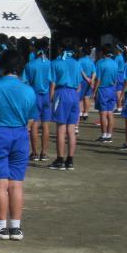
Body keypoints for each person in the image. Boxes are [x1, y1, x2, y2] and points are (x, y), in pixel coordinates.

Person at [0, 49, 36, 241]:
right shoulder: (28, 89)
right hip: (20, 135)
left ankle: (0, 226)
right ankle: (15, 227)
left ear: (1, 65)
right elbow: (30, 117)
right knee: (16, 184)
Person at [49, 40, 81, 171]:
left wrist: (51, 99)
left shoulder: (56, 63)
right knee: (71, 130)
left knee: (61, 128)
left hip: (61, 93)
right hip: (74, 94)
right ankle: (70, 160)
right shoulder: (76, 63)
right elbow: (79, 85)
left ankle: (60, 159)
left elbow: (52, 84)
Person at [23, 42, 53, 162]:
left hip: (34, 95)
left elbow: (26, 82)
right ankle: (44, 153)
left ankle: (34, 153)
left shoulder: (30, 64)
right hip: (46, 96)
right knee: (46, 125)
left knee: (34, 125)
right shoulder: (50, 64)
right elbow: (52, 83)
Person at [93, 45, 119, 143]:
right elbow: (116, 79)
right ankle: (109, 135)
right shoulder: (115, 63)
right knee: (110, 113)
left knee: (103, 113)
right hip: (112, 89)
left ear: (103, 52)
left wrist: (94, 92)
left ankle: (104, 135)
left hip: (103, 90)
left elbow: (98, 79)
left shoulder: (100, 63)